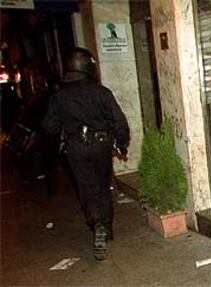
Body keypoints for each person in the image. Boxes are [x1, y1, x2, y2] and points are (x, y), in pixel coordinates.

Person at [42, 47, 130, 260]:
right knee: (102, 185)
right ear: (88, 68)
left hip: (76, 149)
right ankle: (106, 227)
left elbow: (48, 128)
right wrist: (121, 143)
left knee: (86, 187)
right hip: (100, 146)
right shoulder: (101, 92)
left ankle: (96, 222)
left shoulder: (59, 97)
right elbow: (119, 122)